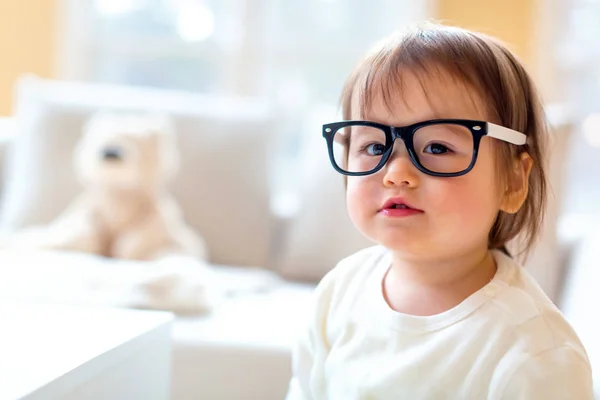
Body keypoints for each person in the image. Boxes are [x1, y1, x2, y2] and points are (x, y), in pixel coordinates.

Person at [286, 22, 594, 399]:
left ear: (513, 181)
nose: (396, 173)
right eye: (373, 147)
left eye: (436, 148)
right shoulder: (338, 293)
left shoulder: (535, 355)